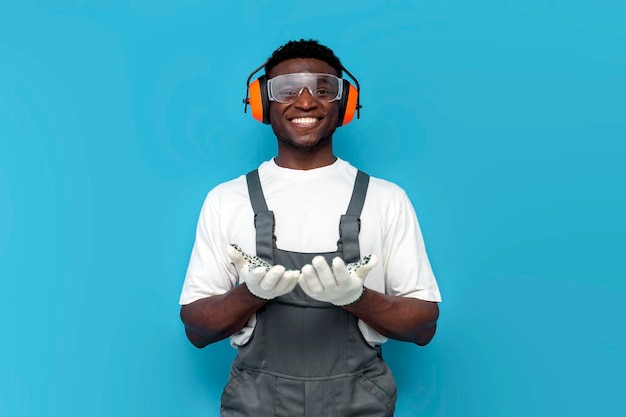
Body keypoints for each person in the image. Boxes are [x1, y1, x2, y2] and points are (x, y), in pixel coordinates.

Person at [179, 39, 442, 417]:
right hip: (256, 405)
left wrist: (358, 298)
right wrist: (250, 293)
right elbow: (196, 331)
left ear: (345, 105)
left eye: (323, 89)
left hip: (359, 404)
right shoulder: (226, 199)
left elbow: (424, 328)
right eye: (286, 90)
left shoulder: (386, 199)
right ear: (262, 105)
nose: (305, 102)